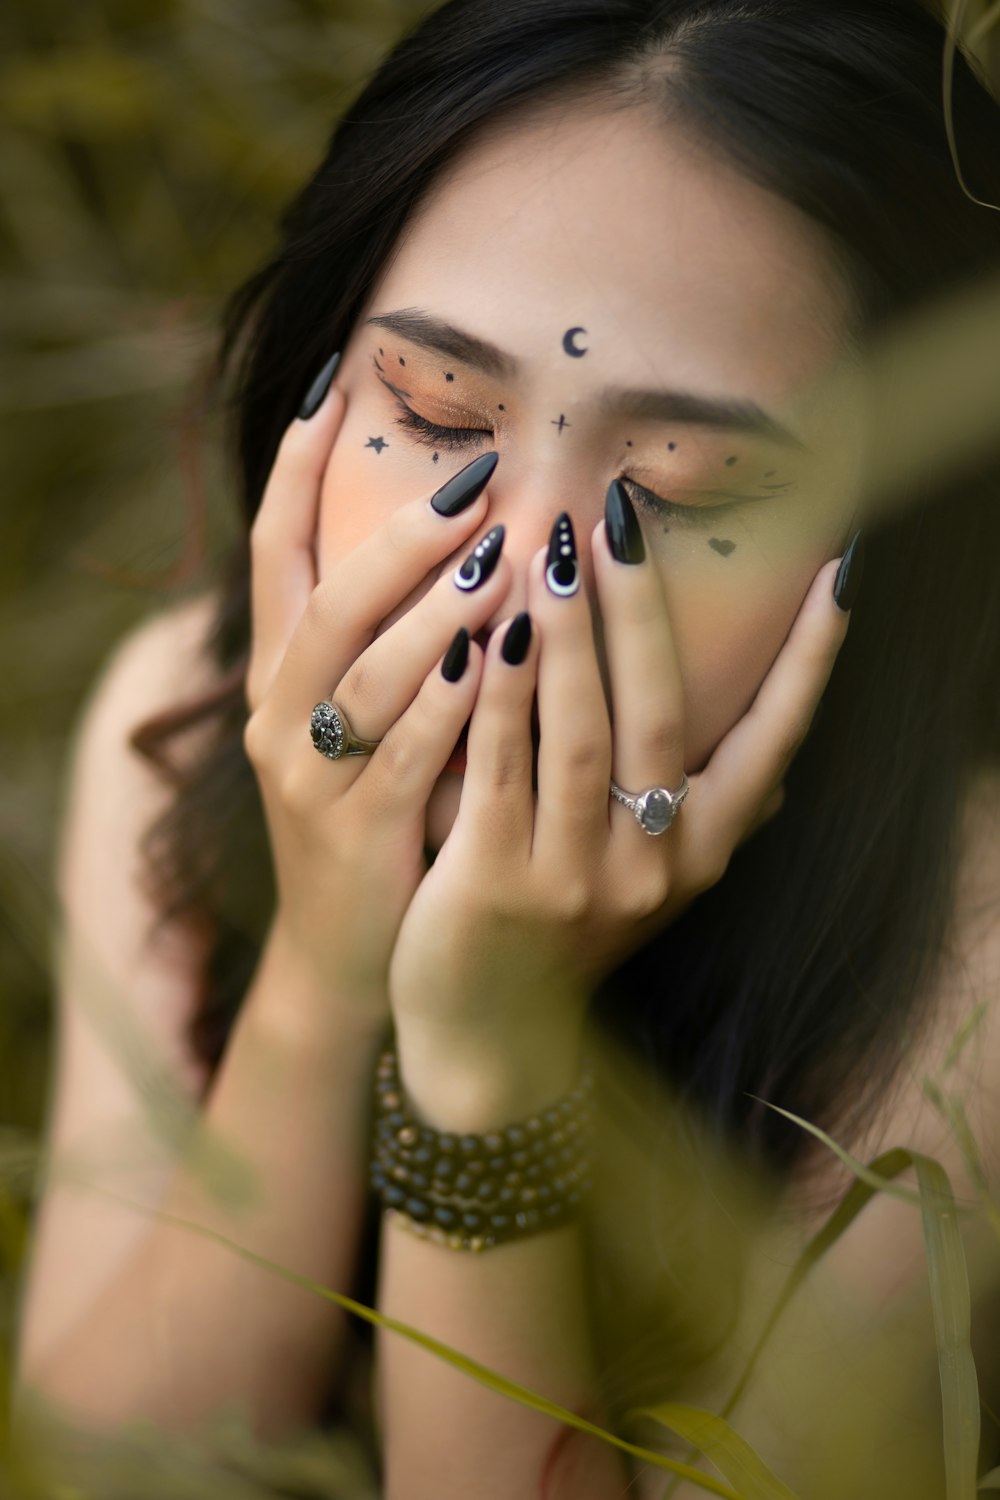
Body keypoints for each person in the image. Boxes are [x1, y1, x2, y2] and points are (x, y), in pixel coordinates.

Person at [12, 0, 1000, 1495]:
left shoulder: (977, 947)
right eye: (432, 407)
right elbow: (101, 1471)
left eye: (679, 486)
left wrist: (489, 1053)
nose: (526, 569)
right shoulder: (185, 719)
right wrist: (328, 956)